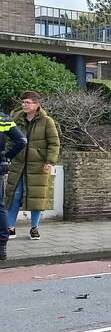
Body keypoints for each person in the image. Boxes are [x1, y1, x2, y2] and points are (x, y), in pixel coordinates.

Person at [6, 91, 59, 241]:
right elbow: (10, 140)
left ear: (36, 104)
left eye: (27, 102)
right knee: (14, 196)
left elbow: (54, 144)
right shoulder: (16, 119)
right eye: (22, 102)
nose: (24, 105)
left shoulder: (47, 121)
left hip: (38, 167)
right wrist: (8, 156)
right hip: (18, 165)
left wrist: (50, 161)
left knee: (37, 198)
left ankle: (34, 228)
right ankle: (10, 228)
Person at [0, 109, 27, 260]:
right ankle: (2, 246)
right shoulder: (3, 118)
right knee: (0, 206)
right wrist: (6, 156)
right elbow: (22, 141)